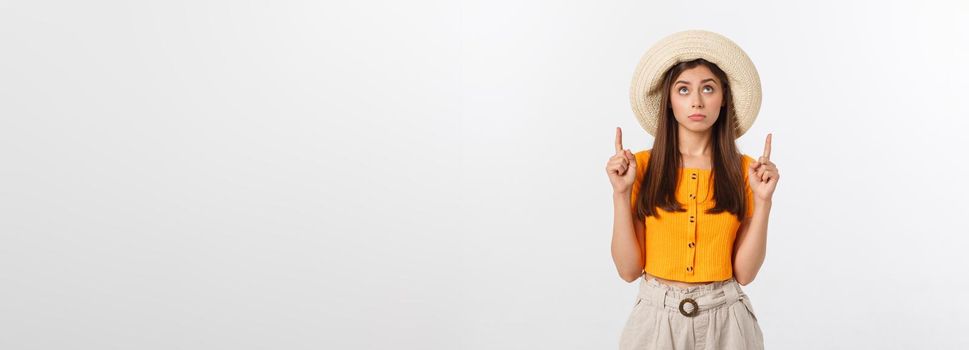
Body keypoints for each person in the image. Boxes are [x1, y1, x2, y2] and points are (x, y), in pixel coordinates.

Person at [606, 30, 779, 350]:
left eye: (708, 89)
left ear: (723, 98)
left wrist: (764, 202)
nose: (697, 101)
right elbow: (629, 270)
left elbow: (744, 273)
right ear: (669, 101)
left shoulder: (746, 172)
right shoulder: (641, 168)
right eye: (683, 89)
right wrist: (620, 194)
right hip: (656, 320)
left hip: (727, 323)